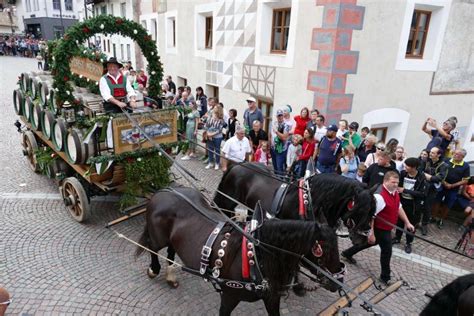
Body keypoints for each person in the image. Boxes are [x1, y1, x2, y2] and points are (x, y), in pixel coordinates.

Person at [342, 171, 415, 285]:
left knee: (370, 243)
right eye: (393, 182)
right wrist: (371, 233)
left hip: (386, 227)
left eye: (397, 182)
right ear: (385, 181)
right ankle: (385, 277)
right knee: (387, 251)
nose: (396, 185)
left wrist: (407, 222)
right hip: (380, 228)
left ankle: (347, 253)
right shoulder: (379, 196)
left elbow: (398, 207)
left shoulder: (394, 192)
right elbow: (371, 216)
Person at [392, 158, 427, 254]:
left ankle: (408, 243)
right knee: (399, 221)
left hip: (413, 205)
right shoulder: (403, 173)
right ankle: (397, 238)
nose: (405, 167)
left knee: (411, 225)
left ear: (414, 167)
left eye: (407, 166)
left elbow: (422, 194)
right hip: (402, 202)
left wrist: (405, 191)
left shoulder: (421, 177)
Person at [432, 149, 471, 229]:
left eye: (458, 154)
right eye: (455, 153)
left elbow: (465, 180)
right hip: (442, 185)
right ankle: (433, 217)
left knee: (448, 204)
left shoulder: (465, 166)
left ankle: (441, 220)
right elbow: (438, 171)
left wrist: (452, 185)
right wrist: (444, 182)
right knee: (437, 201)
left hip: (453, 188)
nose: (455, 155)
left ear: (463, 157)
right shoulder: (446, 160)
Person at [421, 146, 448, 235]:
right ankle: (415, 222)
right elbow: (419, 171)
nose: (430, 154)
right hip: (422, 186)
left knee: (427, 207)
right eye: (430, 152)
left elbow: (440, 178)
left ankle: (424, 225)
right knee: (417, 204)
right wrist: (429, 177)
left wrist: (430, 177)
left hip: (432, 189)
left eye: (433, 153)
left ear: (439, 155)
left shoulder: (444, 165)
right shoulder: (426, 161)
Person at [270, 109, 291, 176]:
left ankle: (281, 181)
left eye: (281, 115)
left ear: (283, 116)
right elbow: (270, 135)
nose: (280, 117)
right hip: (273, 148)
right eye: (278, 116)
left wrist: (276, 131)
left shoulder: (286, 125)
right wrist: (270, 143)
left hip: (281, 150)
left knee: (280, 168)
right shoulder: (274, 123)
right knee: (275, 167)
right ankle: (276, 180)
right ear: (276, 116)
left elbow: (284, 137)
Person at [205, 105, 226, 170]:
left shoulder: (221, 120)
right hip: (209, 135)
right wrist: (208, 134)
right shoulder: (210, 117)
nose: (214, 109)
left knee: (217, 150)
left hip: (217, 137)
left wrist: (211, 135)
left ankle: (217, 163)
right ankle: (210, 162)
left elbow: (220, 130)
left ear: (218, 110)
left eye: (215, 108)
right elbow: (206, 125)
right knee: (210, 149)